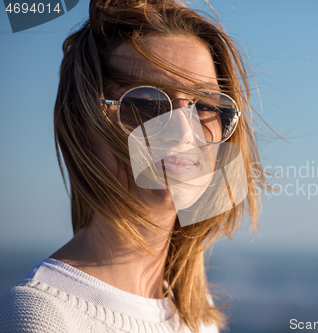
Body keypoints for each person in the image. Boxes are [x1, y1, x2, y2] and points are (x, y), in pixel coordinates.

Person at [0, 0, 267, 332]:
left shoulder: (197, 313)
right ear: (82, 122)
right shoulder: (43, 315)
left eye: (206, 105)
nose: (185, 131)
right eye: (146, 103)